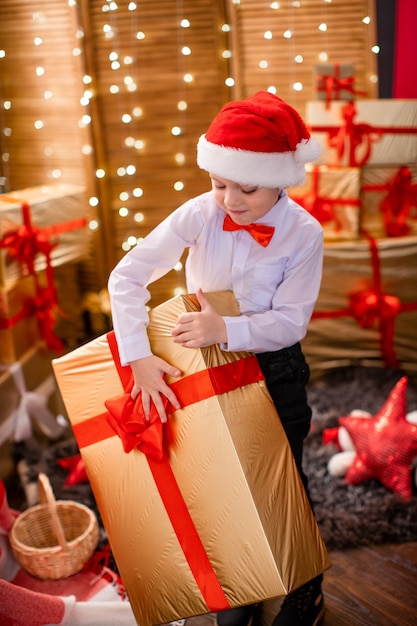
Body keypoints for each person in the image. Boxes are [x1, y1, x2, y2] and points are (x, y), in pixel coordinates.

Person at [108, 90, 325, 626]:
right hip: (206, 365)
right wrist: (136, 356)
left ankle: (304, 588)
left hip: (275, 369)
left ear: (281, 177)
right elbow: (127, 276)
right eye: (219, 182)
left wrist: (224, 327)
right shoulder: (201, 213)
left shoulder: (305, 233)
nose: (229, 199)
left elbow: (291, 322)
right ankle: (242, 586)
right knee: (222, 479)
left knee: (283, 483)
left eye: (246, 187)